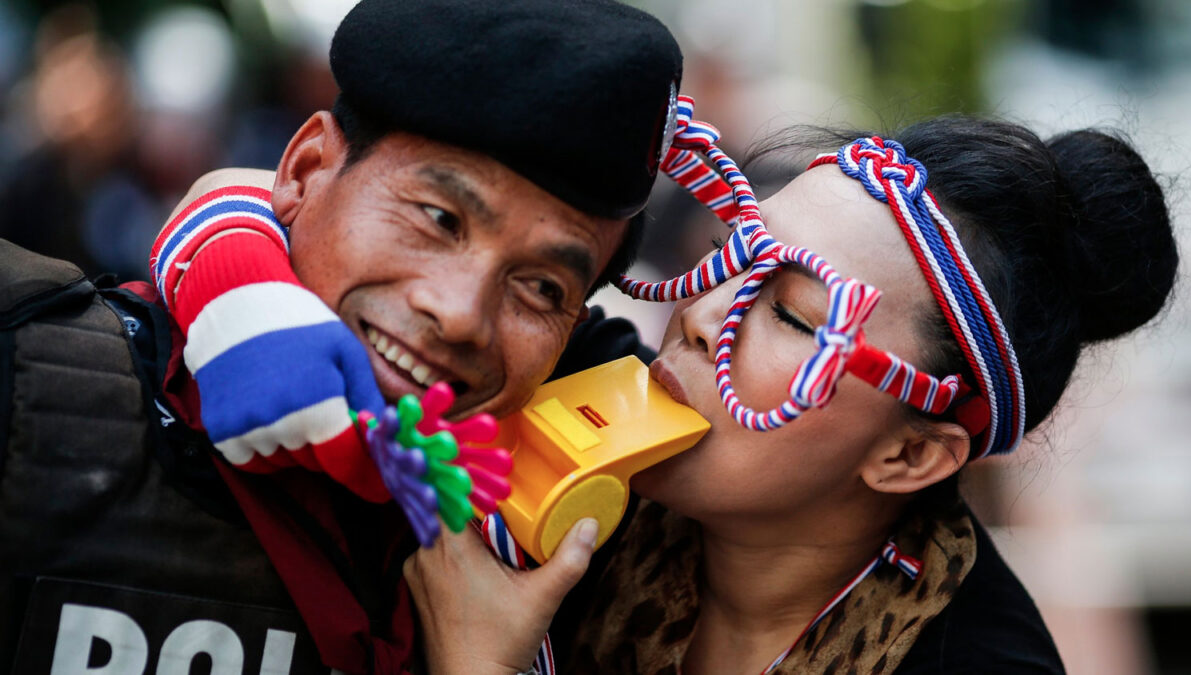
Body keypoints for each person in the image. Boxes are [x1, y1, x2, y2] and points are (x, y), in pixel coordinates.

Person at [0, 1, 682, 672]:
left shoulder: (584, 538)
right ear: (302, 171)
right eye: (439, 217)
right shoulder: (28, 367)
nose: (461, 314)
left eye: (542, 288)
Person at [401, 116, 1178, 674]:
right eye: (728, 255)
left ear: (910, 453)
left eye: (790, 315)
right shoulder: (588, 396)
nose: (702, 317)